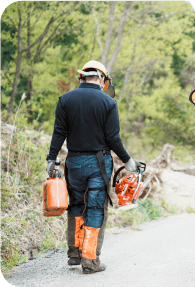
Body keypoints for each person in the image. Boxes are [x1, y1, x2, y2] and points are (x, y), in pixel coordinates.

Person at [46, 60, 137, 274]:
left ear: (82, 77)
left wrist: (51, 158)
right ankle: (90, 261)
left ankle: (74, 254)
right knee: (95, 209)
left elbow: (59, 132)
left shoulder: (66, 99)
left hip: (74, 162)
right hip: (98, 163)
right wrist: (127, 160)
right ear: (103, 79)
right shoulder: (108, 103)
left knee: (76, 205)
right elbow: (112, 138)